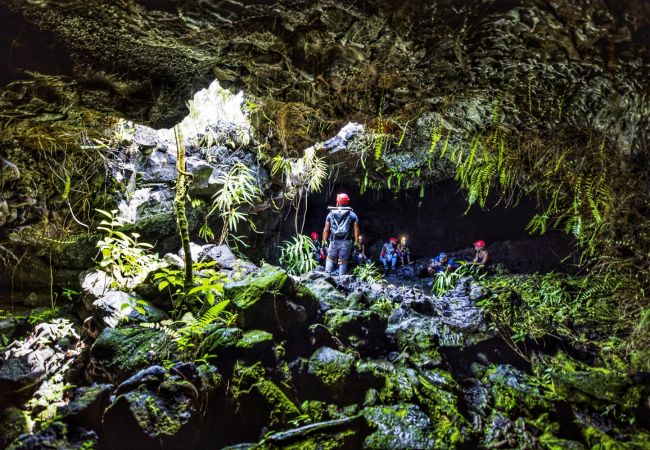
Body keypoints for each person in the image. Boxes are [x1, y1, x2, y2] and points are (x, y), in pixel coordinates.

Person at [322, 193, 360, 276]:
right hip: (346, 241)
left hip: (334, 240)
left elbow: (326, 229)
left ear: (337, 201)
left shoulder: (331, 214)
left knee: (330, 257)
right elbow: (356, 229)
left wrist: (324, 241)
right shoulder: (352, 214)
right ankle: (341, 276)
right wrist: (357, 242)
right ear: (347, 202)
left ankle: (327, 275)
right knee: (342, 259)